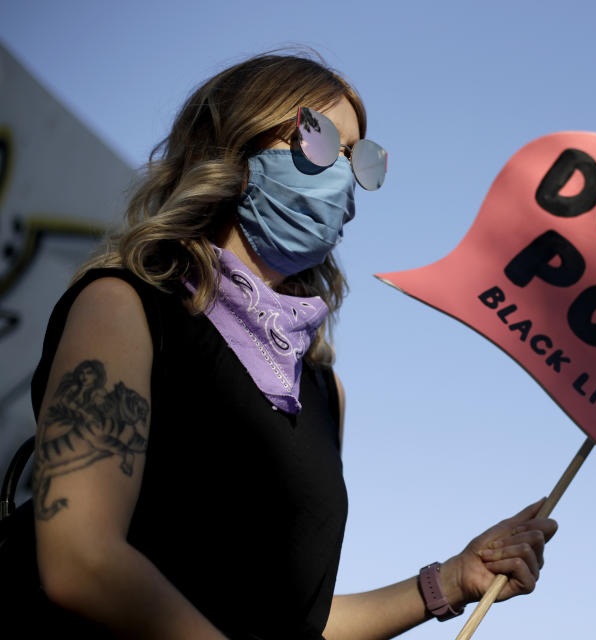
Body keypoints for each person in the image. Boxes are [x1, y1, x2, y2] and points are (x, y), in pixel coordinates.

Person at [29, 51, 557, 639]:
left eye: (359, 159)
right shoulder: (124, 308)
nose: (342, 175)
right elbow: (81, 560)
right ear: (235, 143)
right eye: (319, 138)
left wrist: (451, 581)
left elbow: (297, 622)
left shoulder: (322, 391)